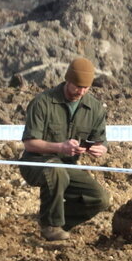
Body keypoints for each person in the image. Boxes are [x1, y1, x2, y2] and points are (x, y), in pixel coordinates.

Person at [18, 57, 112, 242]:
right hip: (35, 162)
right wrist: (60, 147)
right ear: (68, 79)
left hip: (67, 166)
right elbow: (30, 143)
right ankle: (51, 227)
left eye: (86, 88)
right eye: (77, 86)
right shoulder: (43, 102)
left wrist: (100, 149)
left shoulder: (94, 108)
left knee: (100, 199)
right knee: (56, 171)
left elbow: (101, 141)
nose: (81, 91)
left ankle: (58, 221)